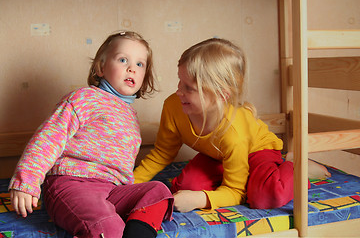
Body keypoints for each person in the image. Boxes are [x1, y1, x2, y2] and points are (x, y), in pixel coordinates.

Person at [134, 37, 330, 212]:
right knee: (187, 185)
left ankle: (295, 166)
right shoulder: (173, 106)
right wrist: (131, 181)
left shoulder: (233, 131)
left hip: (256, 151)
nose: (178, 91)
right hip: (218, 155)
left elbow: (235, 190)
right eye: (179, 81)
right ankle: (246, 179)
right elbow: (162, 153)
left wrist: (202, 199)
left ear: (221, 95)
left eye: (189, 88)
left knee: (265, 195)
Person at [9, 31, 173, 238]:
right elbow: (48, 138)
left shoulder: (130, 114)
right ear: (101, 68)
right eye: (123, 60)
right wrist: (27, 182)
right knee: (108, 226)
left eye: (140, 64)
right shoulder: (84, 98)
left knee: (158, 191)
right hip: (72, 184)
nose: (132, 67)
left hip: (111, 189)